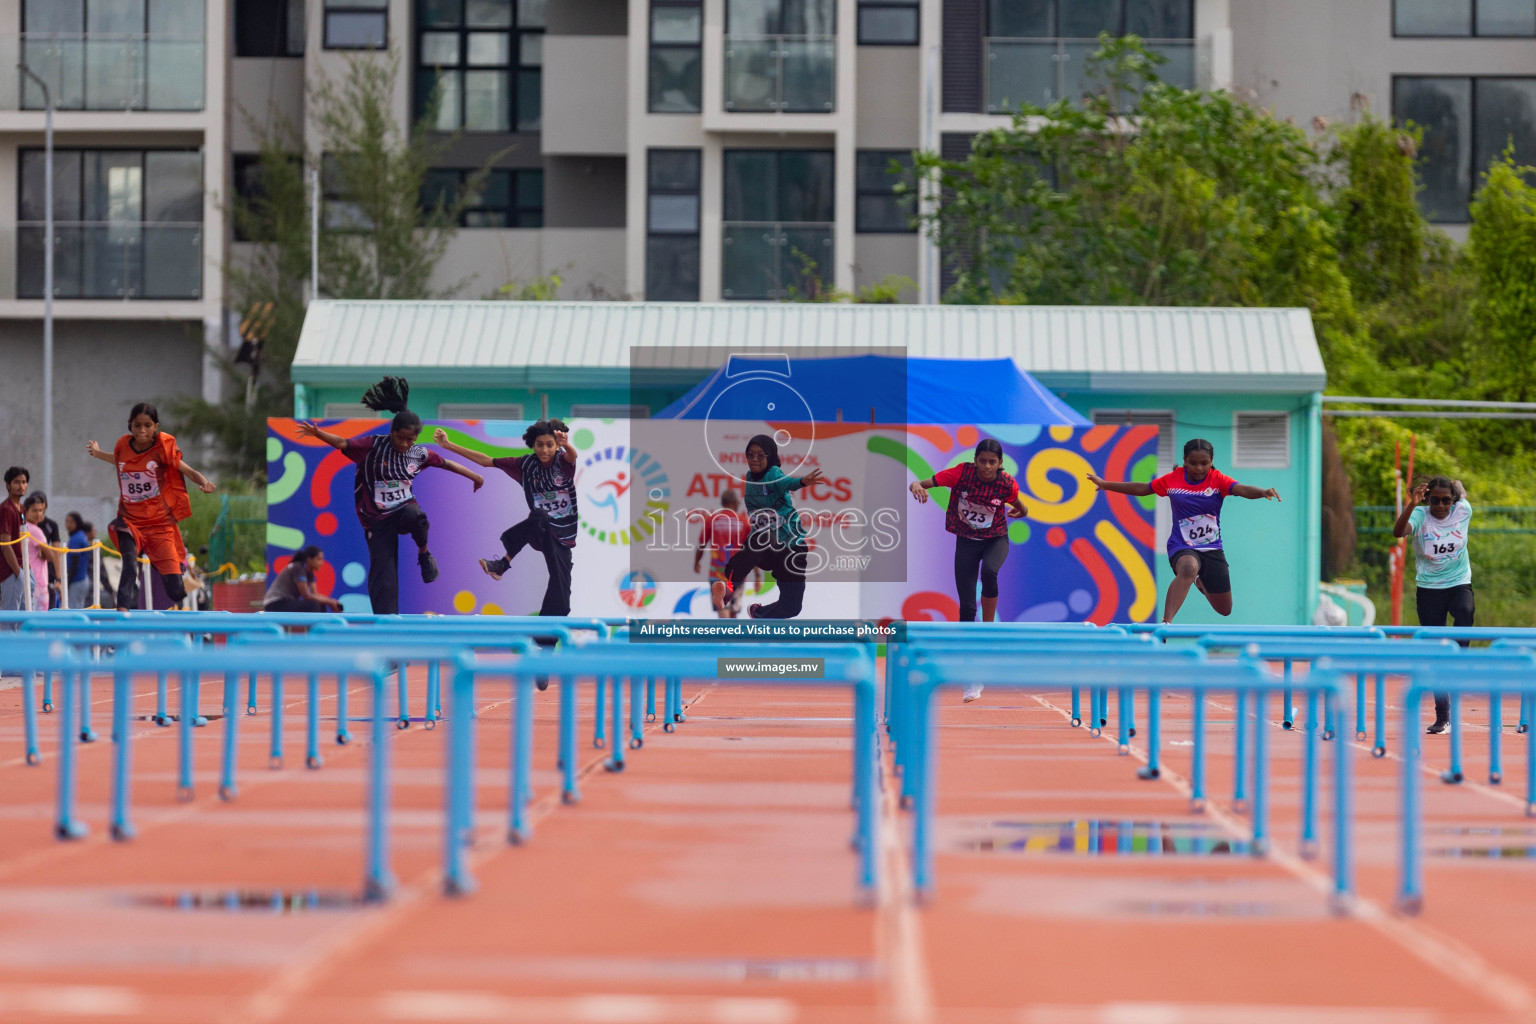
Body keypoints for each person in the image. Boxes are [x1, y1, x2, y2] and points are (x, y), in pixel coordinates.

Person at [297, 377, 483, 615]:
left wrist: (476, 477)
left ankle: (424, 554)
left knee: (417, 515)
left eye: (410, 440)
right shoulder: (372, 446)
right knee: (383, 575)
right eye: (400, 438)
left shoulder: (418, 453)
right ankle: (387, 621)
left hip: (403, 510)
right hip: (376, 519)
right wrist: (318, 433)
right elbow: (343, 442)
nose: (404, 444)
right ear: (391, 432)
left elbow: (447, 464)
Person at [1087, 438, 1280, 624]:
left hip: (1212, 548)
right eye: (1193, 463)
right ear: (1185, 461)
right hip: (1181, 545)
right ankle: (1166, 622)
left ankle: (1199, 581)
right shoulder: (1173, 479)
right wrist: (1106, 485)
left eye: (1204, 463)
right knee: (1188, 566)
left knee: (1224, 609)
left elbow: (1241, 489)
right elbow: (1143, 488)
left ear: (1211, 462)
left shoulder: (1217, 479)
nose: (1199, 468)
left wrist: (1263, 492)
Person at [910, 438, 1029, 702]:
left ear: (1000, 464)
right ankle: (970, 678)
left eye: (992, 462)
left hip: (995, 539)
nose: (987, 466)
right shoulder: (960, 473)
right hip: (966, 542)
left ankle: (989, 630)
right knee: (966, 608)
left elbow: (1020, 504)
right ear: (975, 460)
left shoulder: (1007, 483)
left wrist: (1022, 511)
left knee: (989, 571)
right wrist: (917, 486)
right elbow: (920, 482)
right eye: (982, 461)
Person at [434, 419, 578, 617]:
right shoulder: (525, 465)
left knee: (561, 601)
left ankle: (543, 645)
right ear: (532, 445)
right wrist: (448, 445)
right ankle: (504, 562)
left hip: (563, 535)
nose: (544, 450)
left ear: (557, 445)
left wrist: (567, 444)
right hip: (538, 529)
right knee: (540, 515)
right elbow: (486, 460)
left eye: (550, 445)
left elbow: (572, 456)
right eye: (539, 445)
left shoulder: (563, 462)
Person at [86, 402, 216, 611]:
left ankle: (182, 609)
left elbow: (189, 470)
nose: (142, 431)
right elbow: (119, 460)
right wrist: (98, 453)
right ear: (130, 425)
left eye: (147, 425)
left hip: (159, 525)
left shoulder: (162, 449)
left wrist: (204, 482)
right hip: (130, 521)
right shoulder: (123, 445)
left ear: (156, 426)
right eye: (137, 425)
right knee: (129, 565)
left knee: (174, 589)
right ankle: (122, 616)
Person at [710, 434, 824, 620]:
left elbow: (786, 483)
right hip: (769, 548)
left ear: (769, 457)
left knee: (792, 607)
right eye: (750, 455)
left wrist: (802, 482)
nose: (754, 459)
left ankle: (758, 612)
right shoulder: (749, 478)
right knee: (760, 537)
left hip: (792, 548)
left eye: (760, 455)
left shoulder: (773, 473)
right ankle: (727, 588)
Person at [1394, 476, 1473, 734]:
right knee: (1435, 654)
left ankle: (1459, 661)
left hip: (1459, 581)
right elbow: (1398, 532)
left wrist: (1455, 483)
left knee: (1465, 610)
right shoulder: (1420, 515)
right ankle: (1443, 717)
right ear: (1428, 499)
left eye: (1446, 500)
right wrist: (1412, 503)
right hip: (1429, 589)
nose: (1440, 506)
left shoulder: (1463, 510)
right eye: (1435, 500)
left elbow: (1460, 487)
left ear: (1454, 501)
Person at [694, 489, 760, 618]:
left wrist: (697, 562)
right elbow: (752, 550)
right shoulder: (744, 522)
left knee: (723, 608)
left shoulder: (712, 520)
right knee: (733, 611)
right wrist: (757, 575)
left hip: (717, 573)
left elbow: (701, 544)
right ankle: (730, 638)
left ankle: (726, 638)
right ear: (735, 503)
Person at [264, 545, 343, 612]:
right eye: (318, 559)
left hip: (286, 602)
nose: (322, 562)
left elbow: (314, 594)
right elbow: (306, 596)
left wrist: (332, 602)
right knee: (313, 605)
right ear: (309, 559)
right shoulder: (298, 567)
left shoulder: (309, 572)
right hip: (275, 604)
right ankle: (313, 630)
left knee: (321, 604)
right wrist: (331, 602)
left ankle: (321, 629)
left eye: (322, 559)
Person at [21, 493, 57, 610]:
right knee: (39, 621)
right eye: (34, 510)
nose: (39, 514)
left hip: (25, 578)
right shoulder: (36, 531)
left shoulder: (22, 528)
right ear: (26, 512)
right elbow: (51, 556)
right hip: (38, 581)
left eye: (41, 510)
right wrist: (45, 553)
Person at [0, 467, 27, 611]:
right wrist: (18, 572)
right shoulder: (6, 509)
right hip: (10, 570)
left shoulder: (21, 508)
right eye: (17, 482)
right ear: (7, 484)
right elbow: (5, 544)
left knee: (25, 614)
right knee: (10, 618)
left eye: (24, 482)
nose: (21, 486)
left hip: (22, 567)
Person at [63, 511, 91, 610]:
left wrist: (67, 582)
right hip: (83, 579)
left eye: (71, 522)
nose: (68, 525)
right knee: (79, 608)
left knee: (73, 610)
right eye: (66, 522)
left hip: (77, 580)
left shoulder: (76, 538)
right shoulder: (82, 535)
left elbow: (75, 562)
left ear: (77, 523)